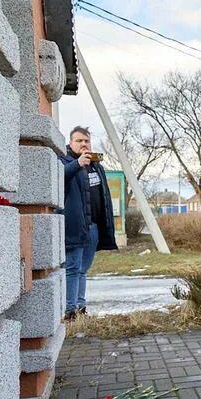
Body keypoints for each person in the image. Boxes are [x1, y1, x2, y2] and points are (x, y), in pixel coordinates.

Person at [59, 126, 118, 320]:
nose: (84, 144)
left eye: (86, 141)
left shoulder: (96, 165)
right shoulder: (65, 161)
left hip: (93, 227)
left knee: (84, 269)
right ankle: (69, 311)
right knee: (73, 268)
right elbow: (60, 177)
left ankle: (81, 307)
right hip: (75, 225)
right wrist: (77, 163)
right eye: (79, 141)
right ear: (71, 143)